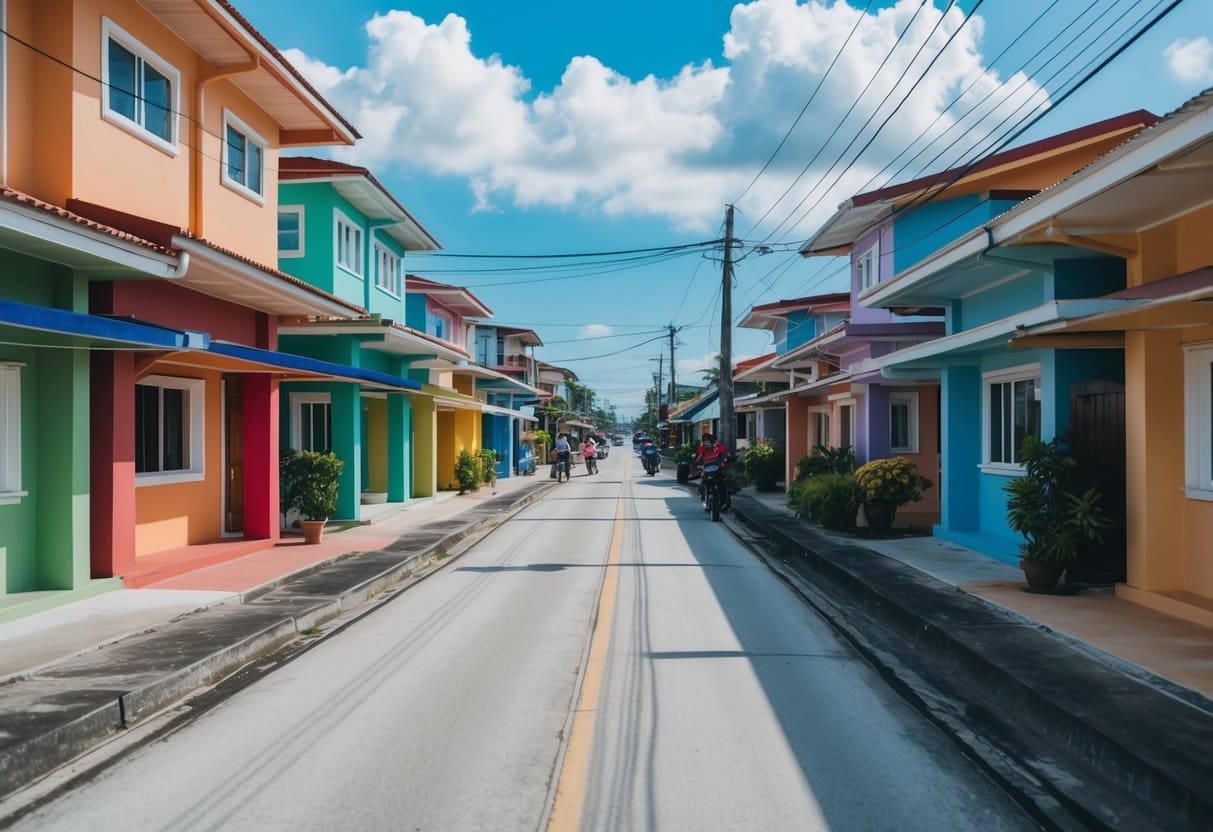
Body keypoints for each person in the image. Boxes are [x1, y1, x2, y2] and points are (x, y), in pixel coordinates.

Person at [693, 432, 730, 508]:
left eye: (709, 440)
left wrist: (726, 461)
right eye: (706, 440)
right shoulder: (702, 448)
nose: (707, 442)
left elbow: (726, 454)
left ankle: (723, 501)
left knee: (722, 484)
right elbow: (697, 458)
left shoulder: (718, 446)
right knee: (702, 483)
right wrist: (695, 466)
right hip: (706, 470)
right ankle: (703, 495)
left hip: (717, 469)